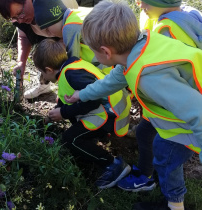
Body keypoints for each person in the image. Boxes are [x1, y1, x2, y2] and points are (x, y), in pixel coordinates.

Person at [64, 1, 202, 209]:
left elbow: (198, 113)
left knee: (164, 158)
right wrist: (81, 95)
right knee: (145, 133)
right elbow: (112, 81)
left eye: (94, 52)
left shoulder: (150, 78)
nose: (93, 56)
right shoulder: (139, 46)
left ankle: (175, 205)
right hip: (177, 112)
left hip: (187, 122)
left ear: (105, 52)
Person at [118, 0, 202, 193]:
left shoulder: (168, 29)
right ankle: (148, 173)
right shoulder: (188, 15)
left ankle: (167, 194)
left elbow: (168, 78)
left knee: (166, 153)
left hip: (178, 110)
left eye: (145, 1)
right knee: (145, 133)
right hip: (181, 101)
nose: (141, 6)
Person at [33, 38, 131, 189]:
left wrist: (64, 113)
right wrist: (54, 114)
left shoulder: (72, 75)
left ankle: (113, 164)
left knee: (70, 139)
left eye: (42, 73)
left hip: (111, 114)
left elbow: (93, 101)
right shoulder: (71, 67)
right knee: (72, 123)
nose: (43, 78)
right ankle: (93, 139)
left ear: (49, 70)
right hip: (110, 110)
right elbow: (68, 98)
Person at [0, 0, 78, 99]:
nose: (20, 20)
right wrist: (21, 62)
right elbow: (24, 37)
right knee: (44, 53)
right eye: (14, 18)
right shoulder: (22, 18)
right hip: (53, 30)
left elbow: (70, 43)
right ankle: (44, 85)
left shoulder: (49, 8)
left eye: (20, 13)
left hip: (76, 32)